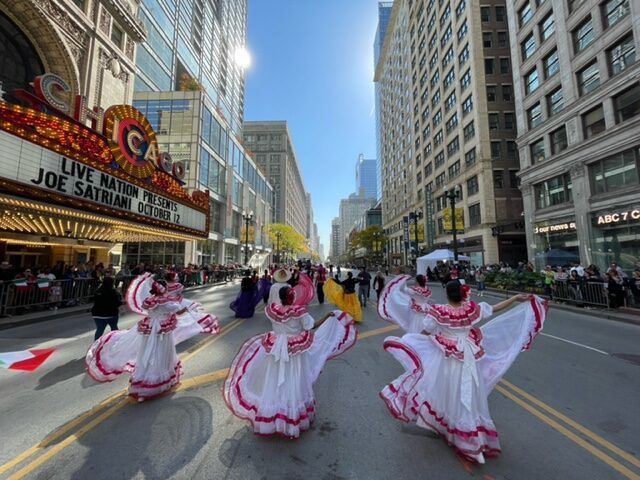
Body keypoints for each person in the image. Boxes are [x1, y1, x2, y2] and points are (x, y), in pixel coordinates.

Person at [380, 280, 548, 464]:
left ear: (447, 294)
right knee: (467, 393)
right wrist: (515, 298)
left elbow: (426, 331)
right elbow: (494, 309)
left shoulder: (439, 311)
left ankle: (463, 435)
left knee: (450, 391)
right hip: (468, 354)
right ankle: (465, 433)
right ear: (463, 294)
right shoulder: (471, 309)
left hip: (448, 357)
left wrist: (417, 341)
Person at [223, 284, 357, 438]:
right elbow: (311, 326)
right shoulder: (299, 312)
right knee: (293, 379)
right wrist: (328, 316)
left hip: (277, 347)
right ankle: (290, 417)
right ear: (292, 296)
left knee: (274, 380)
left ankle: (271, 418)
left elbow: (282, 325)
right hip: (293, 350)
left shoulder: (274, 310)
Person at [86, 273, 220, 401]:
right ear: (163, 289)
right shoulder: (166, 302)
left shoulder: (150, 300)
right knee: (160, 351)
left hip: (151, 326)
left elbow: (158, 309)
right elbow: (178, 311)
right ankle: (154, 380)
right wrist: (188, 309)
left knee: (148, 351)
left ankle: (144, 377)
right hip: (161, 329)